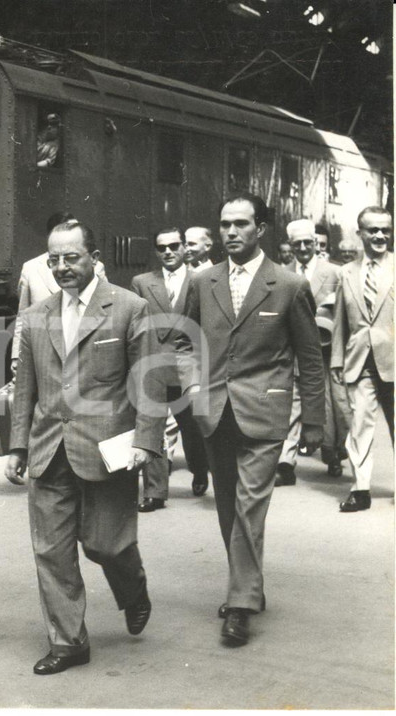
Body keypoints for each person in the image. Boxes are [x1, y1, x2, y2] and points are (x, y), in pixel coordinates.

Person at [6, 218, 164, 675]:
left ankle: (132, 589)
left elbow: (149, 381)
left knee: (106, 546)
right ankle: (69, 641)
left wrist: (146, 443)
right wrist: (18, 447)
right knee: (51, 551)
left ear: (94, 258)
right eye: (53, 259)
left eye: (71, 257)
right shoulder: (36, 316)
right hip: (49, 447)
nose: (61, 267)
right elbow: (25, 390)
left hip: (108, 448)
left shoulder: (129, 308)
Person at [178, 193, 324, 647]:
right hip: (214, 412)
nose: (231, 232)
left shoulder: (288, 285)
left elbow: (310, 357)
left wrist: (314, 422)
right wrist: (192, 387)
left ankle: (240, 604)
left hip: (264, 413)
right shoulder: (203, 282)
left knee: (249, 507)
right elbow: (182, 342)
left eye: (241, 224)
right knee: (227, 508)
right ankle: (248, 586)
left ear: (261, 228)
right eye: (224, 225)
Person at [130, 228, 210, 509]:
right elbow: (136, 323)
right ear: (156, 251)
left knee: (192, 426)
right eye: (161, 247)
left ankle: (200, 469)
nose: (168, 251)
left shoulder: (200, 280)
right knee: (154, 426)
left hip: (187, 364)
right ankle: (155, 492)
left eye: (174, 246)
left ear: (183, 249)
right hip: (153, 363)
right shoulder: (142, 282)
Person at [330, 206, 394, 513]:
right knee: (359, 427)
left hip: (394, 359)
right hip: (359, 361)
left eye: (386, 230)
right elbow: (340, 321)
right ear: (361, 234)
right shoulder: (346, 272)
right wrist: (336, 361)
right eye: (373, 230)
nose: (381, 235)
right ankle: (360, 489)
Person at [275, 219, 343, 485]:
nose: (303, 248)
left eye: (307, 243)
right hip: (292, 351)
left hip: (324, 351)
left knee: (329, 405)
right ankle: (285, 463)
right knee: (290, 405)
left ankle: (333, 451)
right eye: (297, 244)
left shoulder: (334, 273)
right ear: (290, 246)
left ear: (316, 243)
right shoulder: (283, 273)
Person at [12, 212, 106, 374]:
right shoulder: (31, 268)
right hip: (45, 353)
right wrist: (17, 356)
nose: (62, 267)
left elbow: (106, 308)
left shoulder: (96, 267)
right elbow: (23, 316)